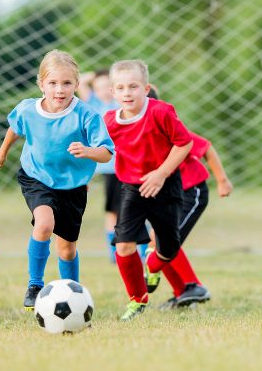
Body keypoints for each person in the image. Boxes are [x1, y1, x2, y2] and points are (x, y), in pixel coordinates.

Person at [0, 50, 114, 310]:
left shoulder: (87, 115)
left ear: (77, 84)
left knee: (67, 248)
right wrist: (3, 150)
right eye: (53, 83)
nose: (60, 89)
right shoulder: (28, 109)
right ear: (41, 84)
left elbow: (106, 153)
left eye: (67, 83)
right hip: (36, 176)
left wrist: (88, 151)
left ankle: (74, 298)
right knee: (44, 224)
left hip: (73, 185)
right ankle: (35, 285)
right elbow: (16, 127)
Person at [103, 59, 193, 321]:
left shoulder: (161, 112)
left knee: (169, 247)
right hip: (131, 188)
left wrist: (161, 173)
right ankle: (137, 300)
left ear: (146, 88)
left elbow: (184, 143)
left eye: (133, 86)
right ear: (113, 92)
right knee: (123, 245)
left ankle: (153, 264)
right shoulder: (109, 121)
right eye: (121, 88)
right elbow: (101, 149)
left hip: (166, 186)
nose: (127, 92)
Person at [144, 86, 234, 309]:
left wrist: (222, 180)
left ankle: (188, 284)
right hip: (166, 195)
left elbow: (206, 148)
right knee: (160, 240)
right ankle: (184, 292)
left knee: (165, 242)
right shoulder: (134, 133)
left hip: (190, 193)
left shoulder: (168, 128)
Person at [78, 70, 122, 263]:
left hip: (129, 165)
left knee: (136, 209)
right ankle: (114, 251)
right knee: (113, 210)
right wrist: (96, 75)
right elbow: (81, 81)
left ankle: (142, 248)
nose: (104, 91)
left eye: (107, 86)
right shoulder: (93, 105)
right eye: (99, 87)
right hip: (110, 168)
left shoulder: (121, 103)